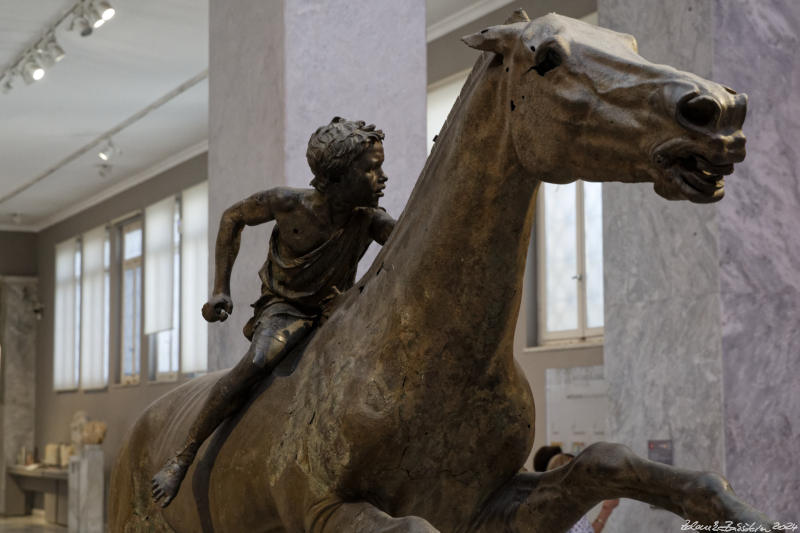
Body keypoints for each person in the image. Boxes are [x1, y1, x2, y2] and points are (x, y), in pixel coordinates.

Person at [151, 117, 396, 507]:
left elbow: (410, 245)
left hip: (339, 309)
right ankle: (184, 454)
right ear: (336, 177)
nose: (382, 177)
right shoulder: (288, 204)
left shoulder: (370, 219)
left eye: (380, 166)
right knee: (258, 362)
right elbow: (233, 218)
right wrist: (220, 290)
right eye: (370, 169)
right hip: (287, 310)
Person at [546, 453, 620, 533]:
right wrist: (607, 509)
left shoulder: (553, 503)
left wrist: (606, 509)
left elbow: (588, 531)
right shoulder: (568, 508)